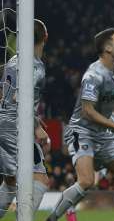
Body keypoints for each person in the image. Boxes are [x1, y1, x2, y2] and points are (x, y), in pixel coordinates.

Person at [47, 28, 114, 221]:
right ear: (107, 48)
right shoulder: (93, 75)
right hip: (81, 131)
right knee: (86, 181)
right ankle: (52, 218)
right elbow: (87, 111)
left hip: (103, 134)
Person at [0, 19, 50, 218]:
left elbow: (4, 93)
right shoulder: (35, 67)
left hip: (3, 122)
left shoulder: (14, 60)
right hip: (16, 127)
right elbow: (19, 97)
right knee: (40, 179)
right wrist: (36, 126)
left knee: (11, 182)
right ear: (45, 37)